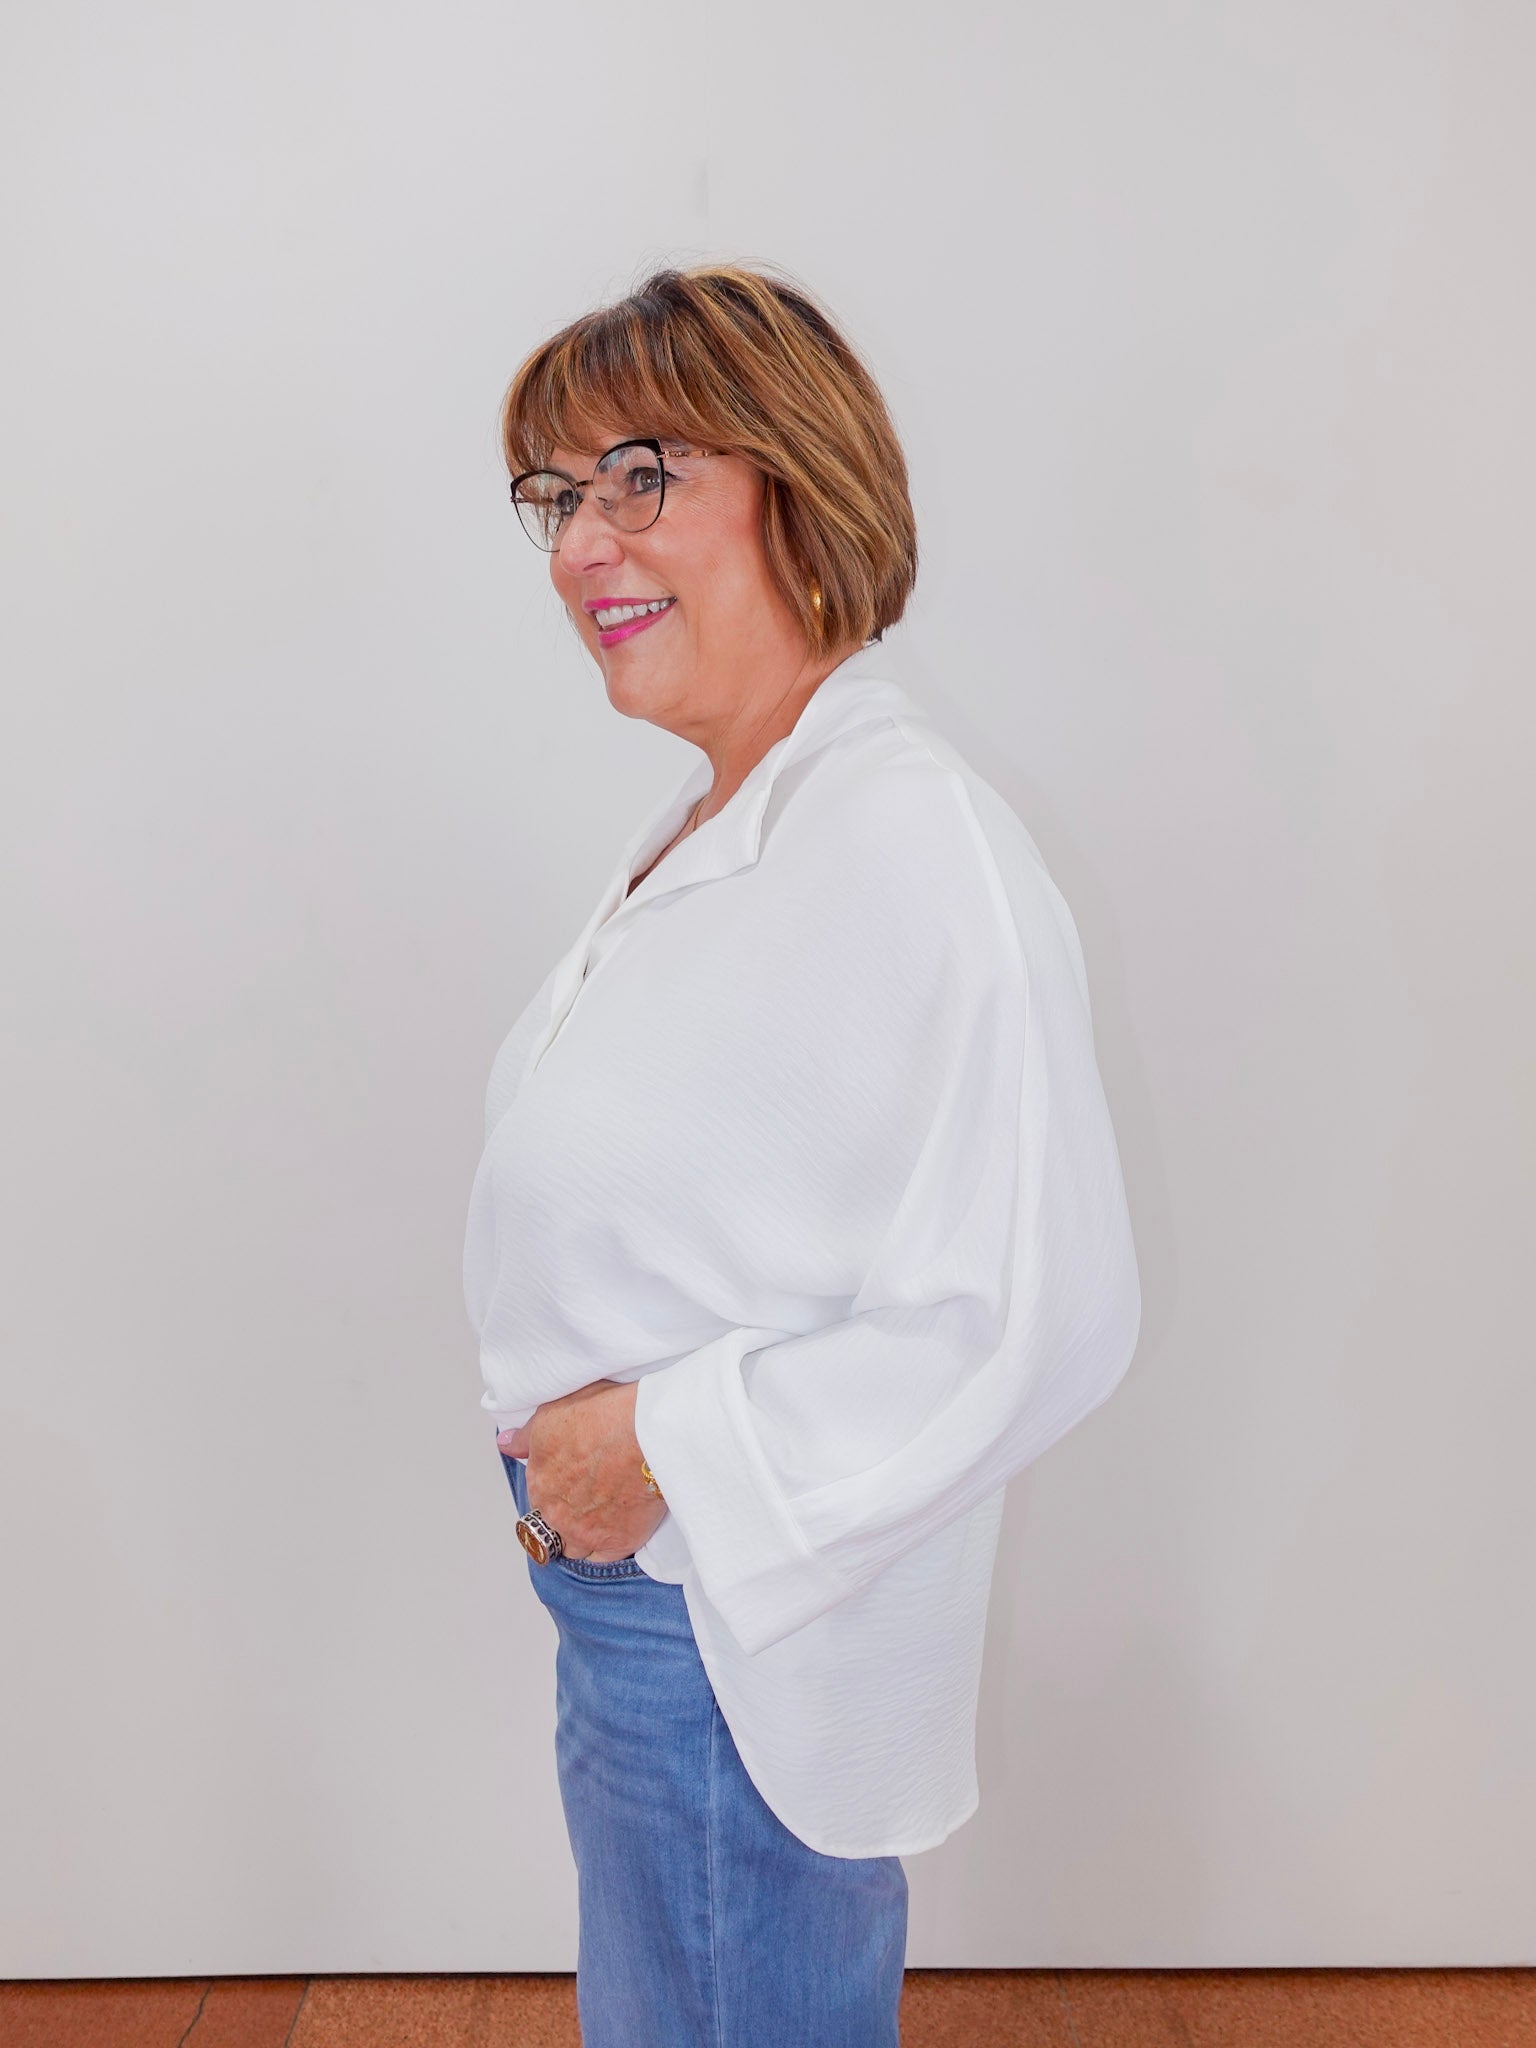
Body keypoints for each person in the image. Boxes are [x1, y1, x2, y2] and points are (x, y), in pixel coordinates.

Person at [462, 261, 1142, 2046]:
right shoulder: (726, 817)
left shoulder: (917, 849)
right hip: (647, 1613)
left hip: (724, 1637)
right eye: (558, 494)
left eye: (643, 476)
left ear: (801, 477)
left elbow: (1039, 1313)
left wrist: (653, 1452)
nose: (583, 545)